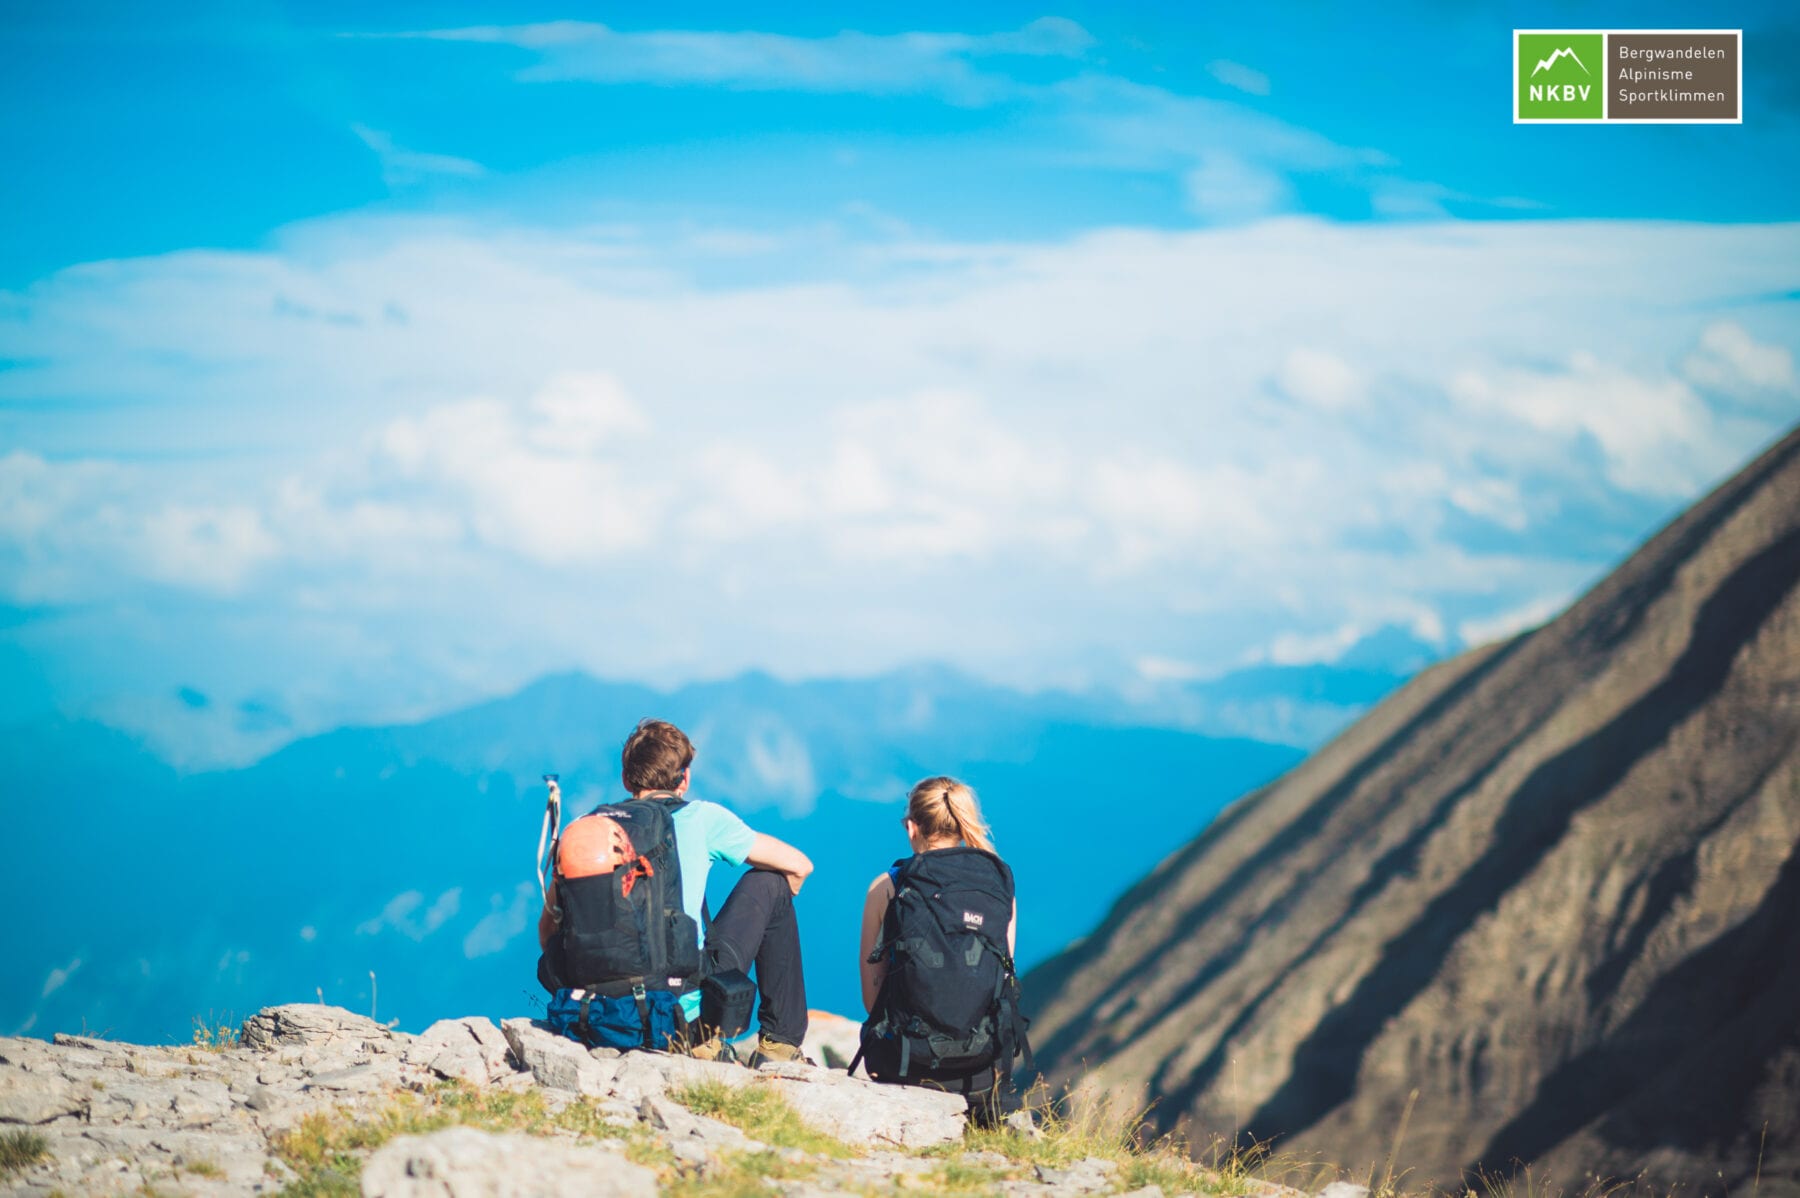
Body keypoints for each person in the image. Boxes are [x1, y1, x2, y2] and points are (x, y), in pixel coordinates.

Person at [538, 718, 814, 1064]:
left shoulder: (588, 831)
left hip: (594, 1013)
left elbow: (548, 931)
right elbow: (800, 865)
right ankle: (779, 1047)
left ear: (626, 779)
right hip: (682, 1017)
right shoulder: (704, 819)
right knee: (770, 883)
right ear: (684, 779)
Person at [856, 776, 1027, 1124]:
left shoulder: (887, 888)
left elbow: (872, 1001)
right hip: (979, 1066)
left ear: (911, 828)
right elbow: (1002, 976)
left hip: (905, 1063)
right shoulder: (1000, 886)